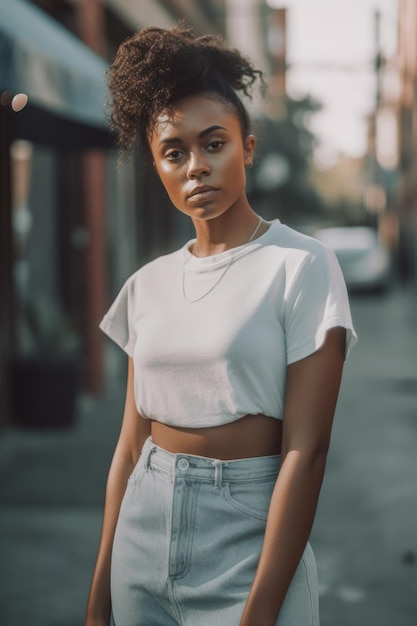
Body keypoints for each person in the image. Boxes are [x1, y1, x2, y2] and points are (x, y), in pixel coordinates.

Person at [85, 23, 357, 626]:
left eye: (214, 144)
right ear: (156, 166)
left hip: (248, 540)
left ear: (248, 147)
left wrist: (259, 613)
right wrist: (99, 592)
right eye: (174, 152)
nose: (195, 167)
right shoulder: (148, 284)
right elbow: (130, 447)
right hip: (143, 533)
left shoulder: (302, 265)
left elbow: (306, 451)